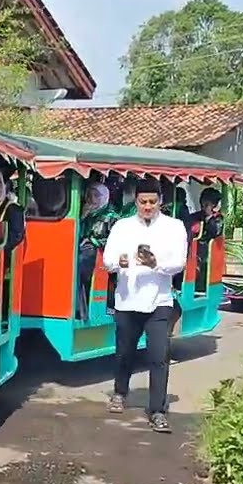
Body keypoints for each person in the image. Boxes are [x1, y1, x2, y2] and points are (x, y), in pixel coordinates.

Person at [102, 179, 188, 433]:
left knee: (158, 356)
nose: (147, 206)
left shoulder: (174, 227)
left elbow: (179, 263)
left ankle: (158, 410)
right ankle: (120, 392)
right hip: (127, 300)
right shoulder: (122, 227)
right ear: (136, 202)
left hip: (159, 301)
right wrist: (121, 262)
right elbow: (107, 260)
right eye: (143, 202)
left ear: (160, 201)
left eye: (152, 202)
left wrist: (155, 263)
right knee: (124, 352)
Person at [77, 182, 116, 319]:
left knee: (77, 267)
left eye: (95, 195)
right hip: (83, 249)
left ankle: (80, 311)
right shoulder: (86, 212)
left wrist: (92, 241)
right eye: (89, 195)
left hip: (98, 253)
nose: (91, 199)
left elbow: (113, 241)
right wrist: (82, 216)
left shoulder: (110, 216)